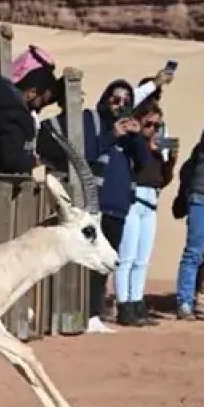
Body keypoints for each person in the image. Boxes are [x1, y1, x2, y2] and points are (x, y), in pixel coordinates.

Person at [42, 79, 147, 332]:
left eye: (126, 102)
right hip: (95, 204)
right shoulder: (92, 121)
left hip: (118, 207)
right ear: (105, 100)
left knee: (105, 262)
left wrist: (137, 137)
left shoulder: (130, 134)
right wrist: (113, 135)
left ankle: (94, 315)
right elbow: (84, 153)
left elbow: (144, 163)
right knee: (87, 261)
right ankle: (82, 312)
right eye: (115, 100)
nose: (120, 106)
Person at [113, 98, 175, 326]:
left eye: (158, 126)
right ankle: (124, 305)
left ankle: (137, 302)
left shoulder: (157, 151)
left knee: (142, 259)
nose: (153, 130)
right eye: (149, 124)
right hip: (134, 200)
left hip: (151, 202)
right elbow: (135, 168)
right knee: (126, 257)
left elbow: (162, 180)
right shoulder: (132, 144)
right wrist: (144, 145)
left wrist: (170, 161)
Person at [0, 42, 58, 174]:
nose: (41, 107)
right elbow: (12, 159)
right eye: (42, 101)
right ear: (31, 92)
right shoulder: (16, 115)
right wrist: (35, 162)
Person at [173, 116, 204, 320]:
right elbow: (185, 172)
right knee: (194, 254)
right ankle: (185, 302)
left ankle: (201, 299)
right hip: (203, 200)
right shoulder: (203, 151)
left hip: (201, 199)